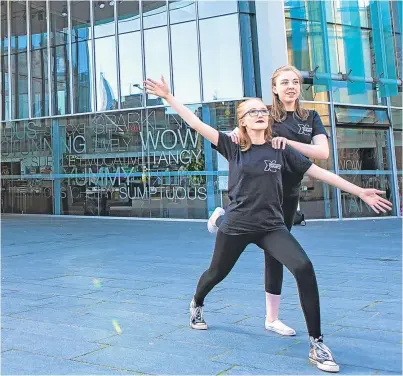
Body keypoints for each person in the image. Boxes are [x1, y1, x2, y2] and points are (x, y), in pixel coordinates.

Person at [144, 76, 392, 373]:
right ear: (242, 122)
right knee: (215, 273)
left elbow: (321, 173)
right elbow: (197, 125)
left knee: (303, 267)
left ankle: (317, 343)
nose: (260, 114)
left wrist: (359, 191)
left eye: (263, 110)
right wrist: (169, 98)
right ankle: (196, 302)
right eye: (252, 112)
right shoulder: (232, 146)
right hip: (237, 225)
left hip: (272, 226)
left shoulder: (281, 149)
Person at [209, 65, 331, 337]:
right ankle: (223, 217)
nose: (291, 87)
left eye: (296, 82)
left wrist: (285, 143)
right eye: (284, 82)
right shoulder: (265, 113)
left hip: (288, 195)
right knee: (263, 252)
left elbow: (322, 152)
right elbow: (239, 134)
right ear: (274, 88)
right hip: (260, 191)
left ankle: (271, 319)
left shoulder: (310, 117)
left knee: (276, 256)